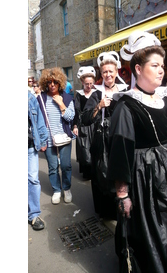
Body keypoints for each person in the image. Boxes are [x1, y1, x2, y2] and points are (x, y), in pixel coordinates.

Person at [107, 30, 167, 273]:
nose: (162, 70)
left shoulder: (163, 100)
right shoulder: (126, 105)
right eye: (155, 65)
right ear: (138, 69)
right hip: (147, 181)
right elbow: (120, 150)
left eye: (162, 65)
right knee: (153, 233)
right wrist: (123, 194)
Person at [82, 51, 128, 219]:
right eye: (105, 72)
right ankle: (107, 212)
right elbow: (85, 119)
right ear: (101, 74)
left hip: (121, 138)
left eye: (111, 71)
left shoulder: (126, 91)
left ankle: (123, 206)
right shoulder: (96, 93)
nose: (108, 74)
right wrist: (99, 106)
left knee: (121, 173)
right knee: (103, 175)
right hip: (103, 142)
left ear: (116, 72)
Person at [37, 67, 75, 205]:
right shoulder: (41, 98)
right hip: (48, 138)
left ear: (60, 83)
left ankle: (67, 188)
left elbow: (70, 118)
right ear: (45, 83)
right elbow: (37, 120)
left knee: (65, 165)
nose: (52, 85)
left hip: (64, 137)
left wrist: (61, 104)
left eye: (55, 82)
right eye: (49, 82)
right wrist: (41, 139)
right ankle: (57, 190)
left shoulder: (67, 97)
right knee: (53, 167)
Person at [28, 91, 48, 230]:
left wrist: (43, 139)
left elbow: (39, 120)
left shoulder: (29, 97)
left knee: (33, 179)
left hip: (29, 146)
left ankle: (34, 214)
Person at [72, 66, 97, 180]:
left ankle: (95, 170)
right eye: (87, 83)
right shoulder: (79, 95)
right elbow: (77, 111)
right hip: (83, 126)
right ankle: (86, 172)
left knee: (94, 148)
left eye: (91, 83)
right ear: (82, 82)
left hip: (94, 126)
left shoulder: (97, 94)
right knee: (84, 149)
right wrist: (75, 126)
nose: (89, 86)